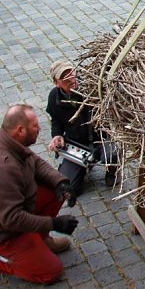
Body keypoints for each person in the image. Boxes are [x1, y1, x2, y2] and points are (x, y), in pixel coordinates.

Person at [0, 104, 79, 284]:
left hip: (12, 214)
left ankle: (41, 239)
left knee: (53, 190)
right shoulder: (3, 167)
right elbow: (11, 218)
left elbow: (36, 162)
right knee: (50, 271)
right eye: (35, 126)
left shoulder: (10, 141)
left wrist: (61, 182)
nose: (39, 128)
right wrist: (54, 223)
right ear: (20, 130)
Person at [46, 60, 118, 203]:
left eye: (71, 73)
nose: (71, 79)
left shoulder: (92, 87)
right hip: (78, 143)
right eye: (64, 77)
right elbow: (56, 121)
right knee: (70, 188)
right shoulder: (54, 97)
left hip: (101, 138)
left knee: (112, 154)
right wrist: (57, 135)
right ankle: (83, 165)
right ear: (56, 83)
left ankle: (112, 170)